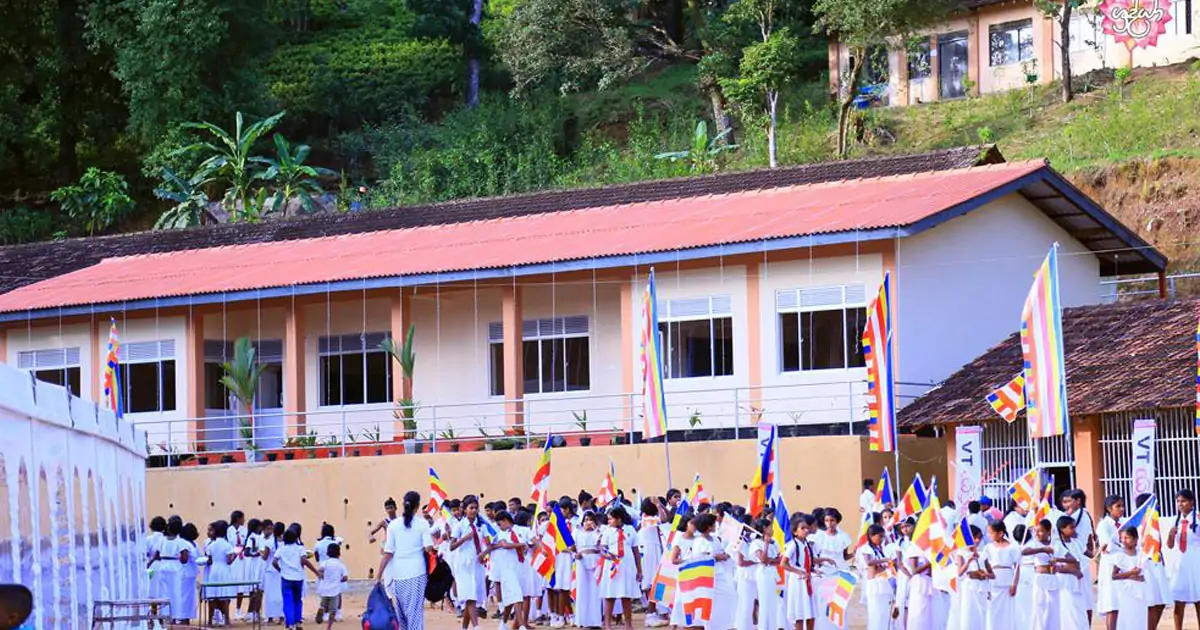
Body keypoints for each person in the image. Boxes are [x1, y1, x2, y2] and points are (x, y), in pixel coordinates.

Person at [378, 491, 435, 630]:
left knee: (401, 614)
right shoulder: (423, 524)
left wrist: (378, 576)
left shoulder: (393, 526)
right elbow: (428, 548)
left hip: (398, 575)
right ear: (418, 506)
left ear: (403, 505)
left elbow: (388, 553)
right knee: (414, 614)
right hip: (417, 574)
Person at [599, 506, 641, 630]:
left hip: (627, 566)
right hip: (612, 566)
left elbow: (636, 551)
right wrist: (607, 555)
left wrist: (639, 570)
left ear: (619, 519)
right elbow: (601, 548)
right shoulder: (607, 531)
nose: (609, 522)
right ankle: (607, 624)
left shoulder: (630, 530)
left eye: (611, 519)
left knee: (626, 595)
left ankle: (628, 624)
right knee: (610, 595)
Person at [452, 497, 490, 630]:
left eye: (475, 508)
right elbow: (452, 546)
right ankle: (476, 627)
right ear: (465, 510)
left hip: (477, 564)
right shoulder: (459, 526)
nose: (473, 510)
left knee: (472, 596)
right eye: (471, 508)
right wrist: (464, 539)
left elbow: (489, 545)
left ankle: (464, 627)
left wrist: (483, 554)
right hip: (463, 565)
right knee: (470, 596)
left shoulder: (482, 526)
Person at [1134, 493, 1170, 629]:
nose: (1158, 506)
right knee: (1151, 602)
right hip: (1145, 564)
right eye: (1154, 503)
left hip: (1157, 563)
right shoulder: (1138, 523)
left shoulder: (1154, 521)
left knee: (1161, 600)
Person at [274, 526, 318, 630]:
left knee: (287, 601)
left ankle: (290, 623)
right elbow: (304, 561)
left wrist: (280, 570)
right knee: (298, 600)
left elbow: (274, 562)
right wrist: (316, 572)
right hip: (298, 578)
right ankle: (298, 621)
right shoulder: (300, 548)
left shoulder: (281, 549)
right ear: (295, 538)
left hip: (286, 578)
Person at [1055, 516, 1091, 629]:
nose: (1074, 530)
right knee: (1070, 612)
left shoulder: (1077, 543)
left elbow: (1091, 554)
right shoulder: (1057, 545)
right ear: (1062, 529)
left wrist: (1102, 552)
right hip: (1066, 583)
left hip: (1081, 581)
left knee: (1082, 610)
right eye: (1071, 528)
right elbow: (1071, 562)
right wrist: (1073, 569)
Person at [783, 514, 818, 630]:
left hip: (807, 580)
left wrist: (813, 570)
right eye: (802, 528)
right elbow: (783, 563)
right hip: (798, 582)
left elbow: (806, 562)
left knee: (811, 613)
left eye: (807, 528)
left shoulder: (806, 544)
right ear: (795, 532)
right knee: (800, 613)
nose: (806, 530)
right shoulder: (793, 545)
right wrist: (799, 572)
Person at [857, 524, 895, 630]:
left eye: (883, 536)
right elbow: (869, 562)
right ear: (871, 536)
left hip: (883, 581)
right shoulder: (866, 548)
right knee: (876, 614)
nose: (882, 539)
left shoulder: (879, 549)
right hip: (874, 584)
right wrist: (885, 560)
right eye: (880, 536)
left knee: (884, 613)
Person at [984, 521, 1020, 630]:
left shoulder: (1013, 546)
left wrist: (1014, 584)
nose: (990, 536)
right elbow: (984, 563)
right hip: (993, 581)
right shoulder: (988, 547)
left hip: (1007, 581)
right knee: (993, 611)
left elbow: (1017, 566)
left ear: (1000, 533)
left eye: (992, 533)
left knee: (1007, 611)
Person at [1024, 519, 1060, 630]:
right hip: (1040, 578)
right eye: (1036, 531)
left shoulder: (1056, 543)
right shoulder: (1034, 543)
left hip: (1053, 577)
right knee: (1040, 607)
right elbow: (1024, 551)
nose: (1037, 533)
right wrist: (1042, 549)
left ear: (1049, 531)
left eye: (1041, 531)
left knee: (1053, 609)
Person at [1110, 526, 1148, 630]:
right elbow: (1114, 575)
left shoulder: (1141, 555)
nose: (1124, 541)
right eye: (1122, 538)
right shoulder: (1120, 556)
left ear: (1135, 539)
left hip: (1140, 591)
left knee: (1139, 617)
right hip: (1127, 591)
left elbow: (1144, 574)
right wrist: (1131, 574)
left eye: (1127, 538)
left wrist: (1139, 576)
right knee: (1127, 618)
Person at [1095, 495, 1125, 628]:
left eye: (1122, 506)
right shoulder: (1103, 525)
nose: (1122, 509)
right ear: (1109, 508)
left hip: (1123, 565)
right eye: (1118, 506)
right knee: (1112, 605)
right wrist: (1125, 546)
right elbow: (1109, 545)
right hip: (1110, 566)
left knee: (1122, 604)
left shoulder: (1124, 523)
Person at [638, 500, 667, 628]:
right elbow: (664, 518)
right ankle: (651, 613)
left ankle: (657, 611)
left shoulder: (646, 519)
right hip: (650, 552)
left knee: (658, 582)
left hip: (653, 549)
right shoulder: (648, 519)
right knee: (653, 582)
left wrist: (659, 505)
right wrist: (659, 505)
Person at [749, 518, 780, 630]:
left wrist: (770, 560)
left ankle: (771, 626)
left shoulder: (774, 542)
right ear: (763, 529)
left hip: (772, 572)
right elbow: (763, 559)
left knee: (772, 602)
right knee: (765, 602)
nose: (772, 529)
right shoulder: (756, 543)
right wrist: (766, 545)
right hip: (763, 573)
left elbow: (779, 559)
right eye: (769, 527)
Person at [204, 520, 236, 627]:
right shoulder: (227, 545)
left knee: (212, 595)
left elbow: (209, 559)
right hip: (224, 570)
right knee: (225, 595)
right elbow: (228, 561)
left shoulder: (211, 545)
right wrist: (235, 555)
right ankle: (226, 620)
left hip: (214, 570)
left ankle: (210, 620)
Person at [574, 511, 603, 629]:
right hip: (582, 562)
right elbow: (570, 547)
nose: (588, 522)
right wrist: (575, 555)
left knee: (595, 591)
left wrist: (596, 529)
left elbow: (602, 542)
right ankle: (582, 620)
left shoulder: (599, 532)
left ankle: (595, 621)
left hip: (596, 561)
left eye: (590, 519)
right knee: (582, 590)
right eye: (586, 520)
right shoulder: (577, 533)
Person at [668, 516, 695, 629]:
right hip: (684, 573)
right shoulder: (679, 539)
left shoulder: (698, 538)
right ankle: (676, 623)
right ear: (685, 524)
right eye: (692, 523)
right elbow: (673, 559)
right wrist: (687, 561)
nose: (694, 526)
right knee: (681, 600)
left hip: (696, 573)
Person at [316, 543, 349, 630]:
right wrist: (339, 580)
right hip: (335, 591)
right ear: (339, 554)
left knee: (324, 605)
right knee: (333, 611)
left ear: (327, 553)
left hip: (324, 589)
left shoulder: (325, 563)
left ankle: (322, 609)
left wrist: (321, 576)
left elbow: (319, 570)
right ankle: (329, 627)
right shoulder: (341, 565)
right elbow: (345, 577)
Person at [176, 522, 201, 625]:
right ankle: (181, 617)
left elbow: (197, 557)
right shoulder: (183, 543)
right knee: (183, 597)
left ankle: (187, 617)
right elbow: (184, 559)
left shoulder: (194, 544)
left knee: (190, 597)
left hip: (191, 573)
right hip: (184, 573)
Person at [226, 510, 249, 621]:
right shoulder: (228, 530)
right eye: (242, 518)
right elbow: (229, 544)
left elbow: (244, 544)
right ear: (237, 519)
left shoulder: (244, 530)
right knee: (231, 584)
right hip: (232, 558)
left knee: (241, 585)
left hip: (241, 559)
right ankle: (225, 611)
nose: (244, 520)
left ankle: (238, 610)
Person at [262, 521, 284, 624]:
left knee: (270, 595)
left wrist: (260, 552)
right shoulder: (285, 542)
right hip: (282, 570)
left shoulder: (269, 542)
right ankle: (281, 617)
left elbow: (265, 557)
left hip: (270, 571)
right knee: (281, 594)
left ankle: (270, 617)